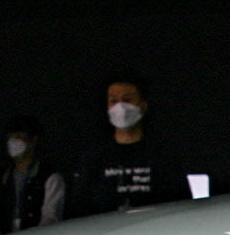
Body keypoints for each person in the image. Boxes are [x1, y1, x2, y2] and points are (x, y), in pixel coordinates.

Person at [69, 78, 190, 216]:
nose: (120, 107)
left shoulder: (163, 156)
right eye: (113, 101)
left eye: (127, 100)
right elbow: (79, 208)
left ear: (143, 106)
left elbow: (180, 203)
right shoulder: (93, 158)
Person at [0, 117, 66, 235]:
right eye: (10, 138)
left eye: (18, 137)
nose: (13, 143)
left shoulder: (50, 177)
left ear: (33, 140)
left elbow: (50, 218)